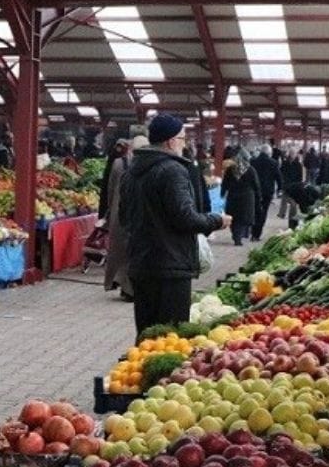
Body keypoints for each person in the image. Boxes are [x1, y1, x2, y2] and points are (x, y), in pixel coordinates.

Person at [121, 114, 229, 338]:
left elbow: (124, 217)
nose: (185, 142)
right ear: (170, 141)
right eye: (182, 138)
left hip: (140, 264)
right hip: (170, 266)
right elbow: (185, 218)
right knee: (172, 337)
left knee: (147, 336)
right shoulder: (173, 170)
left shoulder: (131, 172)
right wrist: (216, 221)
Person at [102, 136, 144, 299]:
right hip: (137, 212)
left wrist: (109, 210)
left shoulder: (118, 163)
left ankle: (123, 284)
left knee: (120, 250)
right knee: (133, 250)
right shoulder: (147, 165)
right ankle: (130, 287)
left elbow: (110, 189)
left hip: (118, 211)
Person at [221, 147, 259, 246]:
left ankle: (236, 235)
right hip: (247, 197)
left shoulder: (230, 169)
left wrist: (222, 193)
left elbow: (225, 183)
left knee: (234, 218)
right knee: (243, 219)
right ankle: (238, 237)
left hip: (233, 196)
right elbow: (256, 184)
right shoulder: (250, 169)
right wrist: (258, 196)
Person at [250, 144, 280, 241]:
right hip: (267, 191)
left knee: (255, 210)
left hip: (254, 190)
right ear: (269, 153)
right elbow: (278, 177)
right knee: (263, 212)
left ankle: (253, 230)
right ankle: (257, 234)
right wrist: (280, 188)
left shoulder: (253, 162)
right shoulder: (273, 162)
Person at [279, 150, 307, 229]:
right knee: (291, 204)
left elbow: (300, 178)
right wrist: (282, 184)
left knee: (293, 206)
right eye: (291, 154)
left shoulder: (298, 165)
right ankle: (284, 215)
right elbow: (281, 173)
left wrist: (298, 186)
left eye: (293, 154)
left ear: (295, 155)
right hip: (286, 187)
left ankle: (292, 223)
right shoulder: (284, 163)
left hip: (294, 188)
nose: (292, 155)